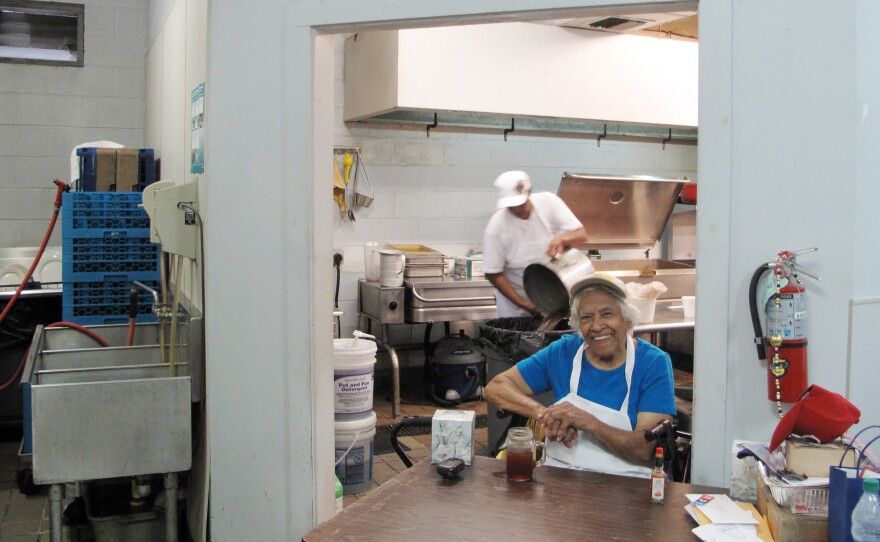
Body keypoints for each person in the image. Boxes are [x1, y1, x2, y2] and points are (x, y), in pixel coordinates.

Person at [483, 273, 676, 478]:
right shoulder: (563, 352)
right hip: (560, 479)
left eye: (607, 314)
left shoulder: (652, 363)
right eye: (587, 317)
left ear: (627, 320)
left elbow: (646, 451)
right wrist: (543, 414)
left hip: (627, 486)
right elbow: (496, 387)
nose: (597, 325)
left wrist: (590, 423)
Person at [482, 171, 587, 317]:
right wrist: (524, 304)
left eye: (520, 203)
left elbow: (581, 234)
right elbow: (493, 273)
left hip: (553, 294)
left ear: (529, 192)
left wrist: (562, 239)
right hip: (516, 307)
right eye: (511, 206)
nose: (517, 209)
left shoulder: (549, 202)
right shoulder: (496, 227)